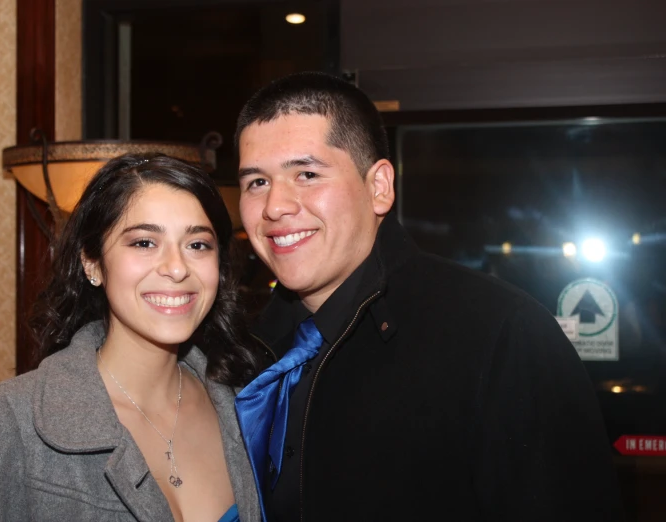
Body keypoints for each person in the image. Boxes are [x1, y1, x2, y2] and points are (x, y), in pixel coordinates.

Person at [232, 72, 624, 521]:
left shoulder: (498, 334)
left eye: (306, 173)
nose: (275, 206)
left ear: (378, 186)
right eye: (256, 182)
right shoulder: (247, 352)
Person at [0, 153, 263, 521]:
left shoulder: (247, 404)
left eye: (197, 245)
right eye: (144, 243)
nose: (176, 267)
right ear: (92, 263)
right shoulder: (13, 418)